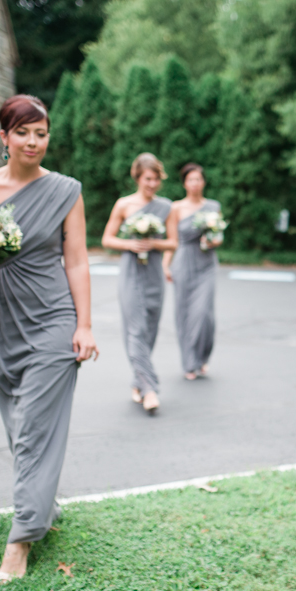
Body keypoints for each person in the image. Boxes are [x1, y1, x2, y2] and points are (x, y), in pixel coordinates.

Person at [0, 95, 99, 585]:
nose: (33, 141)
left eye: (41, 133)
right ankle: (41, 503)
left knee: (32, 428)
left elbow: (77, 260)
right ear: (4, 137)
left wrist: (84, 324)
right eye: (22, 132)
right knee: (19, 427)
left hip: (52, 320)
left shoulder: (66, 190)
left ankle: (20, 541)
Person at [101, 154, 178, 413]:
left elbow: (173, 242)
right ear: (137, 177)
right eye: (148, 178)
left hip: (155, 272)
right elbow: (107, 239)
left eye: (157, 179)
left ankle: (138, 380)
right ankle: (150, 388)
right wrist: (129, 244)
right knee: (135, 329)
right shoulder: (124, 204)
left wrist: (153, 243)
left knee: (150, 330)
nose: (152, 183)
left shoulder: (167, 207)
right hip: (131, 272)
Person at [164, 163, 221, 380]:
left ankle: (202, 357)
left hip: (206, 264)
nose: (195, 183)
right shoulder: (176, 208)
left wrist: (214, 241)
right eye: (190, 179)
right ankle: (189, 363)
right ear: (184, 183)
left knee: (204, 314)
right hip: (183, 262)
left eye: (198, 179)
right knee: (185, 313)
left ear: (203, 182)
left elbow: (219, 236)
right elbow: (172, 240)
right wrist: (165, 264)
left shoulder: (213, 207)